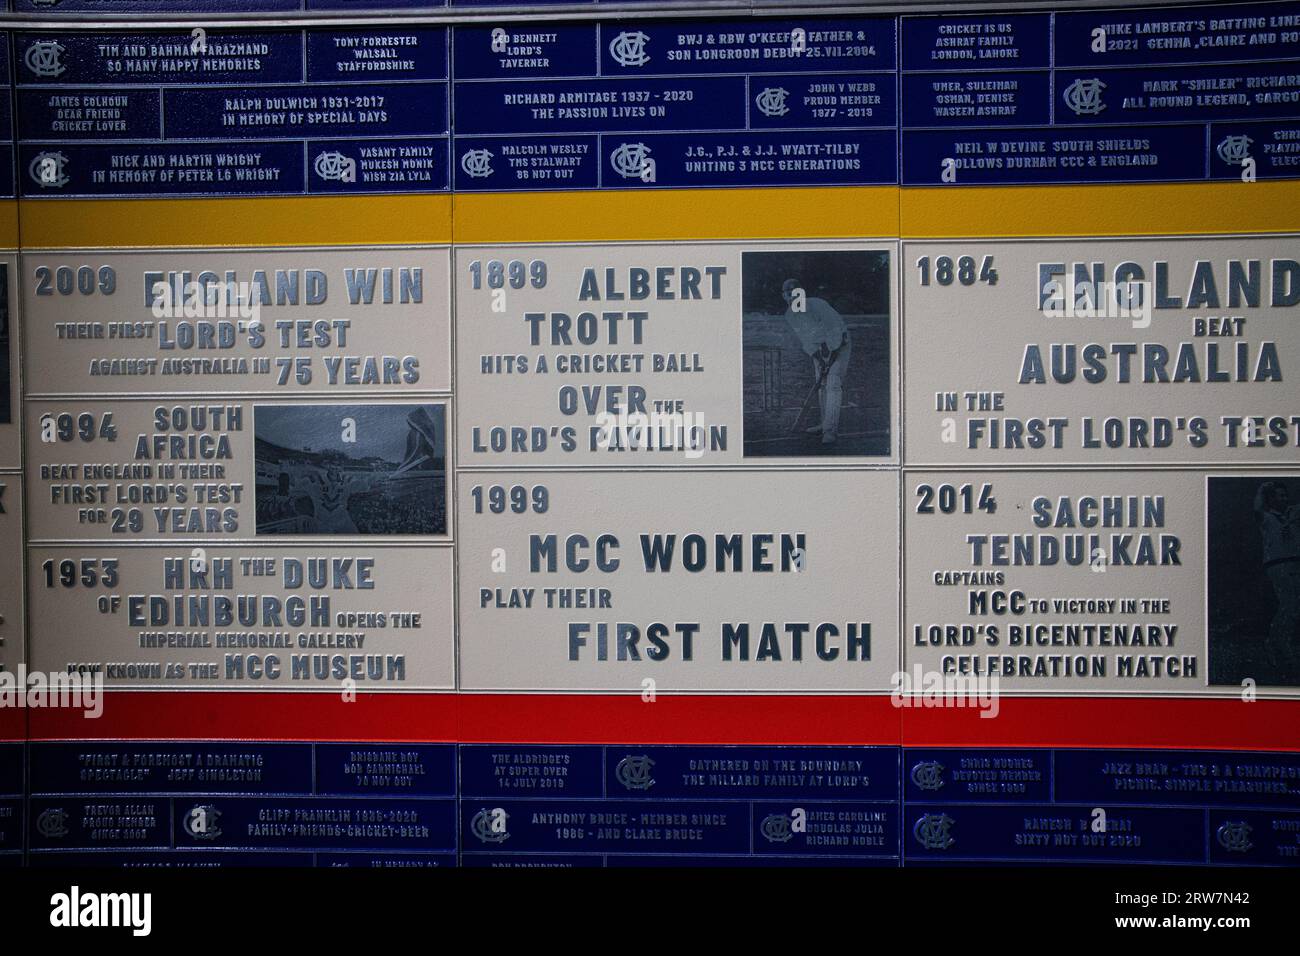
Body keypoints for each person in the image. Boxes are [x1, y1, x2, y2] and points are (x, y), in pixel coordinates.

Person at [782, 278, 850, 444]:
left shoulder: (817, 305)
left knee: (833, 384)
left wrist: (831, 359)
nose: (793, 297)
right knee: (821, 386)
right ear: (784, 296)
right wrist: (820, 358)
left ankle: (830, 432)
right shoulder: (790, 315)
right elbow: (806, 340)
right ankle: (824, 423)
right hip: (820, 348)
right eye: (789, 294)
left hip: (841, 344)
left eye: (796, 293)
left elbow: (836, 332)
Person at [1254, 481, 1300, 666]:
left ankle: (1278, 643)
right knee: (1289, 605)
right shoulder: (1266, 517)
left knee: (1294, 608)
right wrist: (1261, 489)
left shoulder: (1294, 514)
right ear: (1271, 499)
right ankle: (1276, 644)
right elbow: (1257, 508)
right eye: (1279, 496)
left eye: (1285, 495)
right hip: (1278, 564)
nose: (1284, 498)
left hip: (1295, 562)